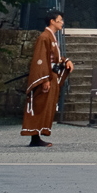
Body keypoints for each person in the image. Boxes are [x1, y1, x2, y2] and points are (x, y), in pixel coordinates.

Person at [23, 9, 73, 147]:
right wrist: (44, 79)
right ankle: (34, 137)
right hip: (46, 75)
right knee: (39, 105)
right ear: (52, 21)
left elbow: (53, 57)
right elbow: (41, 59)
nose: (62, 23)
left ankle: (38, 135)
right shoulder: (44, 37)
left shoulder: (51, 37)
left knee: (46, 106)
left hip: (51, 74)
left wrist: (65, 60)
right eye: (60, 20)